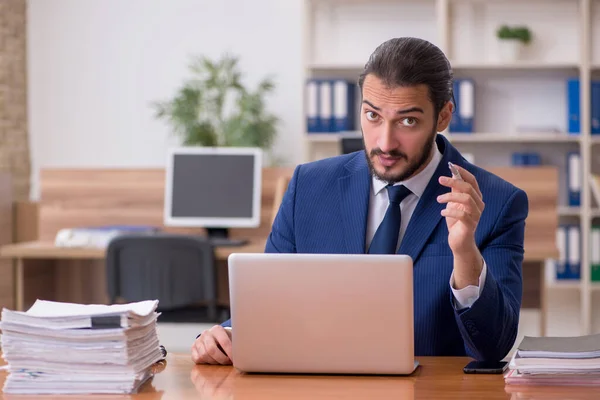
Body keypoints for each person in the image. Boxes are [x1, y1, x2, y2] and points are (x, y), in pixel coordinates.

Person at [191, 37, 527, 365]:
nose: (385, 142)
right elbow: (268, 305)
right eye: (373, 116)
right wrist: (227, 335)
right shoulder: (308, 186)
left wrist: (464, 251)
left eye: (408, 121)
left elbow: (492, 348)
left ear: (442, 117)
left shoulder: (497, 203)